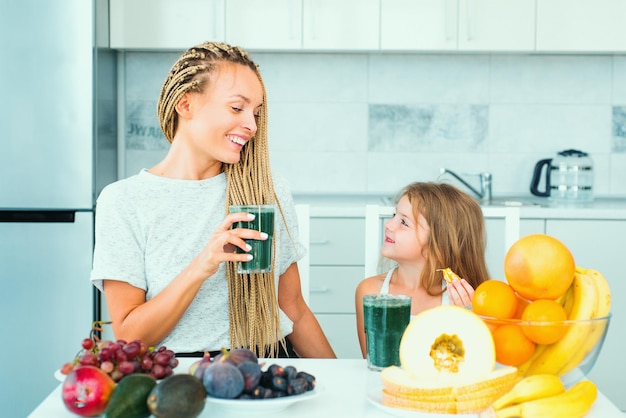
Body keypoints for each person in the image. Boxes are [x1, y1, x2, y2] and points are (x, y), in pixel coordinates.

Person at [91, 41, 336, 359]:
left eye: (256, 112)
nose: (252, 125)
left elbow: (294, 310)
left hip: (264, 366)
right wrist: (203, 264)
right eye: (237, 108)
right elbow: (130, 335)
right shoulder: (124, 201)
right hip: (177, 376)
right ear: (185, 105)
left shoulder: (266, 192)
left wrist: (342, 388)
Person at [355, 182, 490, 358]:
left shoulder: (466, 302)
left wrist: (465, 319)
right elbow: (373, 360)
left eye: (403, 222)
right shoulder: (370, 292)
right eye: (394, 215)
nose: (388, 224)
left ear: (438, 246)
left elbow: (473, 363)